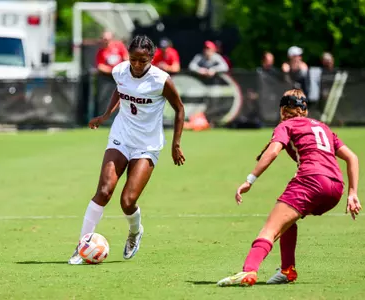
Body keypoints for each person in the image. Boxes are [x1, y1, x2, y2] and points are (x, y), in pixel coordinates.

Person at [217, 89, 361, 286]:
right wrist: (353, 193)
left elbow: (273, 151)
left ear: (283, 110)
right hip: (335, 188)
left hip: (310, 182)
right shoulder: (324, 127)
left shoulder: (286, 125)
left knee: (270, 228)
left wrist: (249, 180)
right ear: (305, 111)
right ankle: (287, 270)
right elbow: (352, 157)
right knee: (287, 221)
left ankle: (248, 270)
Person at [68, 35, 186, 265]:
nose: (137, 65)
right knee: (103, 191)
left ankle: (134, 232)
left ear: (152, 58)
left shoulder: (161, 80)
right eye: (133, 59)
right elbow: (120, 91)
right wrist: (105, 115)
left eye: (143, 60)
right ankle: (81, 246)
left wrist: (176, 145)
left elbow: (180, 109)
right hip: (121, 137)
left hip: (147, 145)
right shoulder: (120, 70)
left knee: (127, 201)